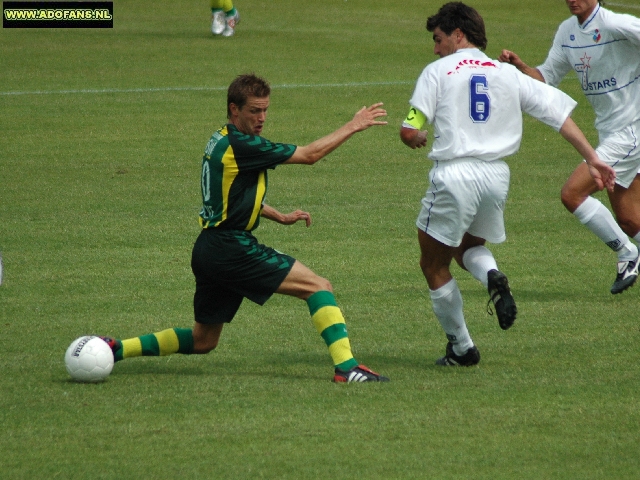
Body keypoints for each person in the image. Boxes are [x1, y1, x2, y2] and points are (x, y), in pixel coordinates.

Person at [101, 73, 389, 383]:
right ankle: (347, 368)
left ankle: (116, 349)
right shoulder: (244, 145)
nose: (262, 117)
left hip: (208, 248)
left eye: (265, 110)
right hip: (231, 247)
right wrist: (353, 125)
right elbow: (310, 155)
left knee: (203, 341)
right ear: (234, 109)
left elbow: (230, 195)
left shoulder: (220, 138)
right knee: (318, 286)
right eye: (254, 110)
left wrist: (278, 216)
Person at [399, 2, 616, 366]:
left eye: (438, 39)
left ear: (457, 34)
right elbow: (559, 116)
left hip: (455, 175)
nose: (435, 48)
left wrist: (413, 136)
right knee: (468, 246)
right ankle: (492, 276)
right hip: (496, 177)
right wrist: (594, 159)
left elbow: (409, 127)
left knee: (433, 265)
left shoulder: (437, 71)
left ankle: (461, 347)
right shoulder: (506, 73)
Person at [499, 0, 640, 294]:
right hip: (611, 133)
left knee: (572, 193)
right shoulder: (567, 32)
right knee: (628, 219)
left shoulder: (617, 25)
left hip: (632, 132)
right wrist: (520, 67)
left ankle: (627, 255)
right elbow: (546, 78)